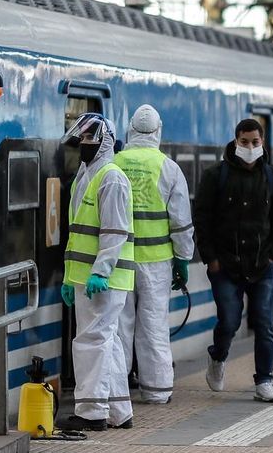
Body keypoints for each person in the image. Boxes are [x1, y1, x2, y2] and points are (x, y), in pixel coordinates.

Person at [194, 119, 273, 403]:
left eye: (255, 142)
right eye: (244, 142)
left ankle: (263, 381)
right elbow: (202, 218)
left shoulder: (272, 177)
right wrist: (210, 258)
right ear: (235, 141)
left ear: (263, 143)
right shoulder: (216, 176)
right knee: (229, 320)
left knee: (264, 322)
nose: (250, 147)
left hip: (263, 265)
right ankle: (218, 355)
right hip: (224, 265)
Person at [57, 113, 135, 431]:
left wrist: (101, 271)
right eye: (82, 140)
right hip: (85, 276)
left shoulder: (111, 177)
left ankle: (92, 412)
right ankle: (119, 411)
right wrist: (68, 277)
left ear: (104, 140)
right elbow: (78, 233)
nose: (84, 146)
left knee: (92, 341)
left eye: (90, 140)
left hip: (104, 278)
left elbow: (115, 231)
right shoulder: (86, 175)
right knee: (108, 341)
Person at [114, 105, 194, 404]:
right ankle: (157, 391)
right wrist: (183, 259)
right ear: (158, 131)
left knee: (119, 327)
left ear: (130, 130)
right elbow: (181, 222)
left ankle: (117, 392)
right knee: (153, 326)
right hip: (156, 262)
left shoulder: (114, 163)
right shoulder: (168, 168)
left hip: (118, 261)